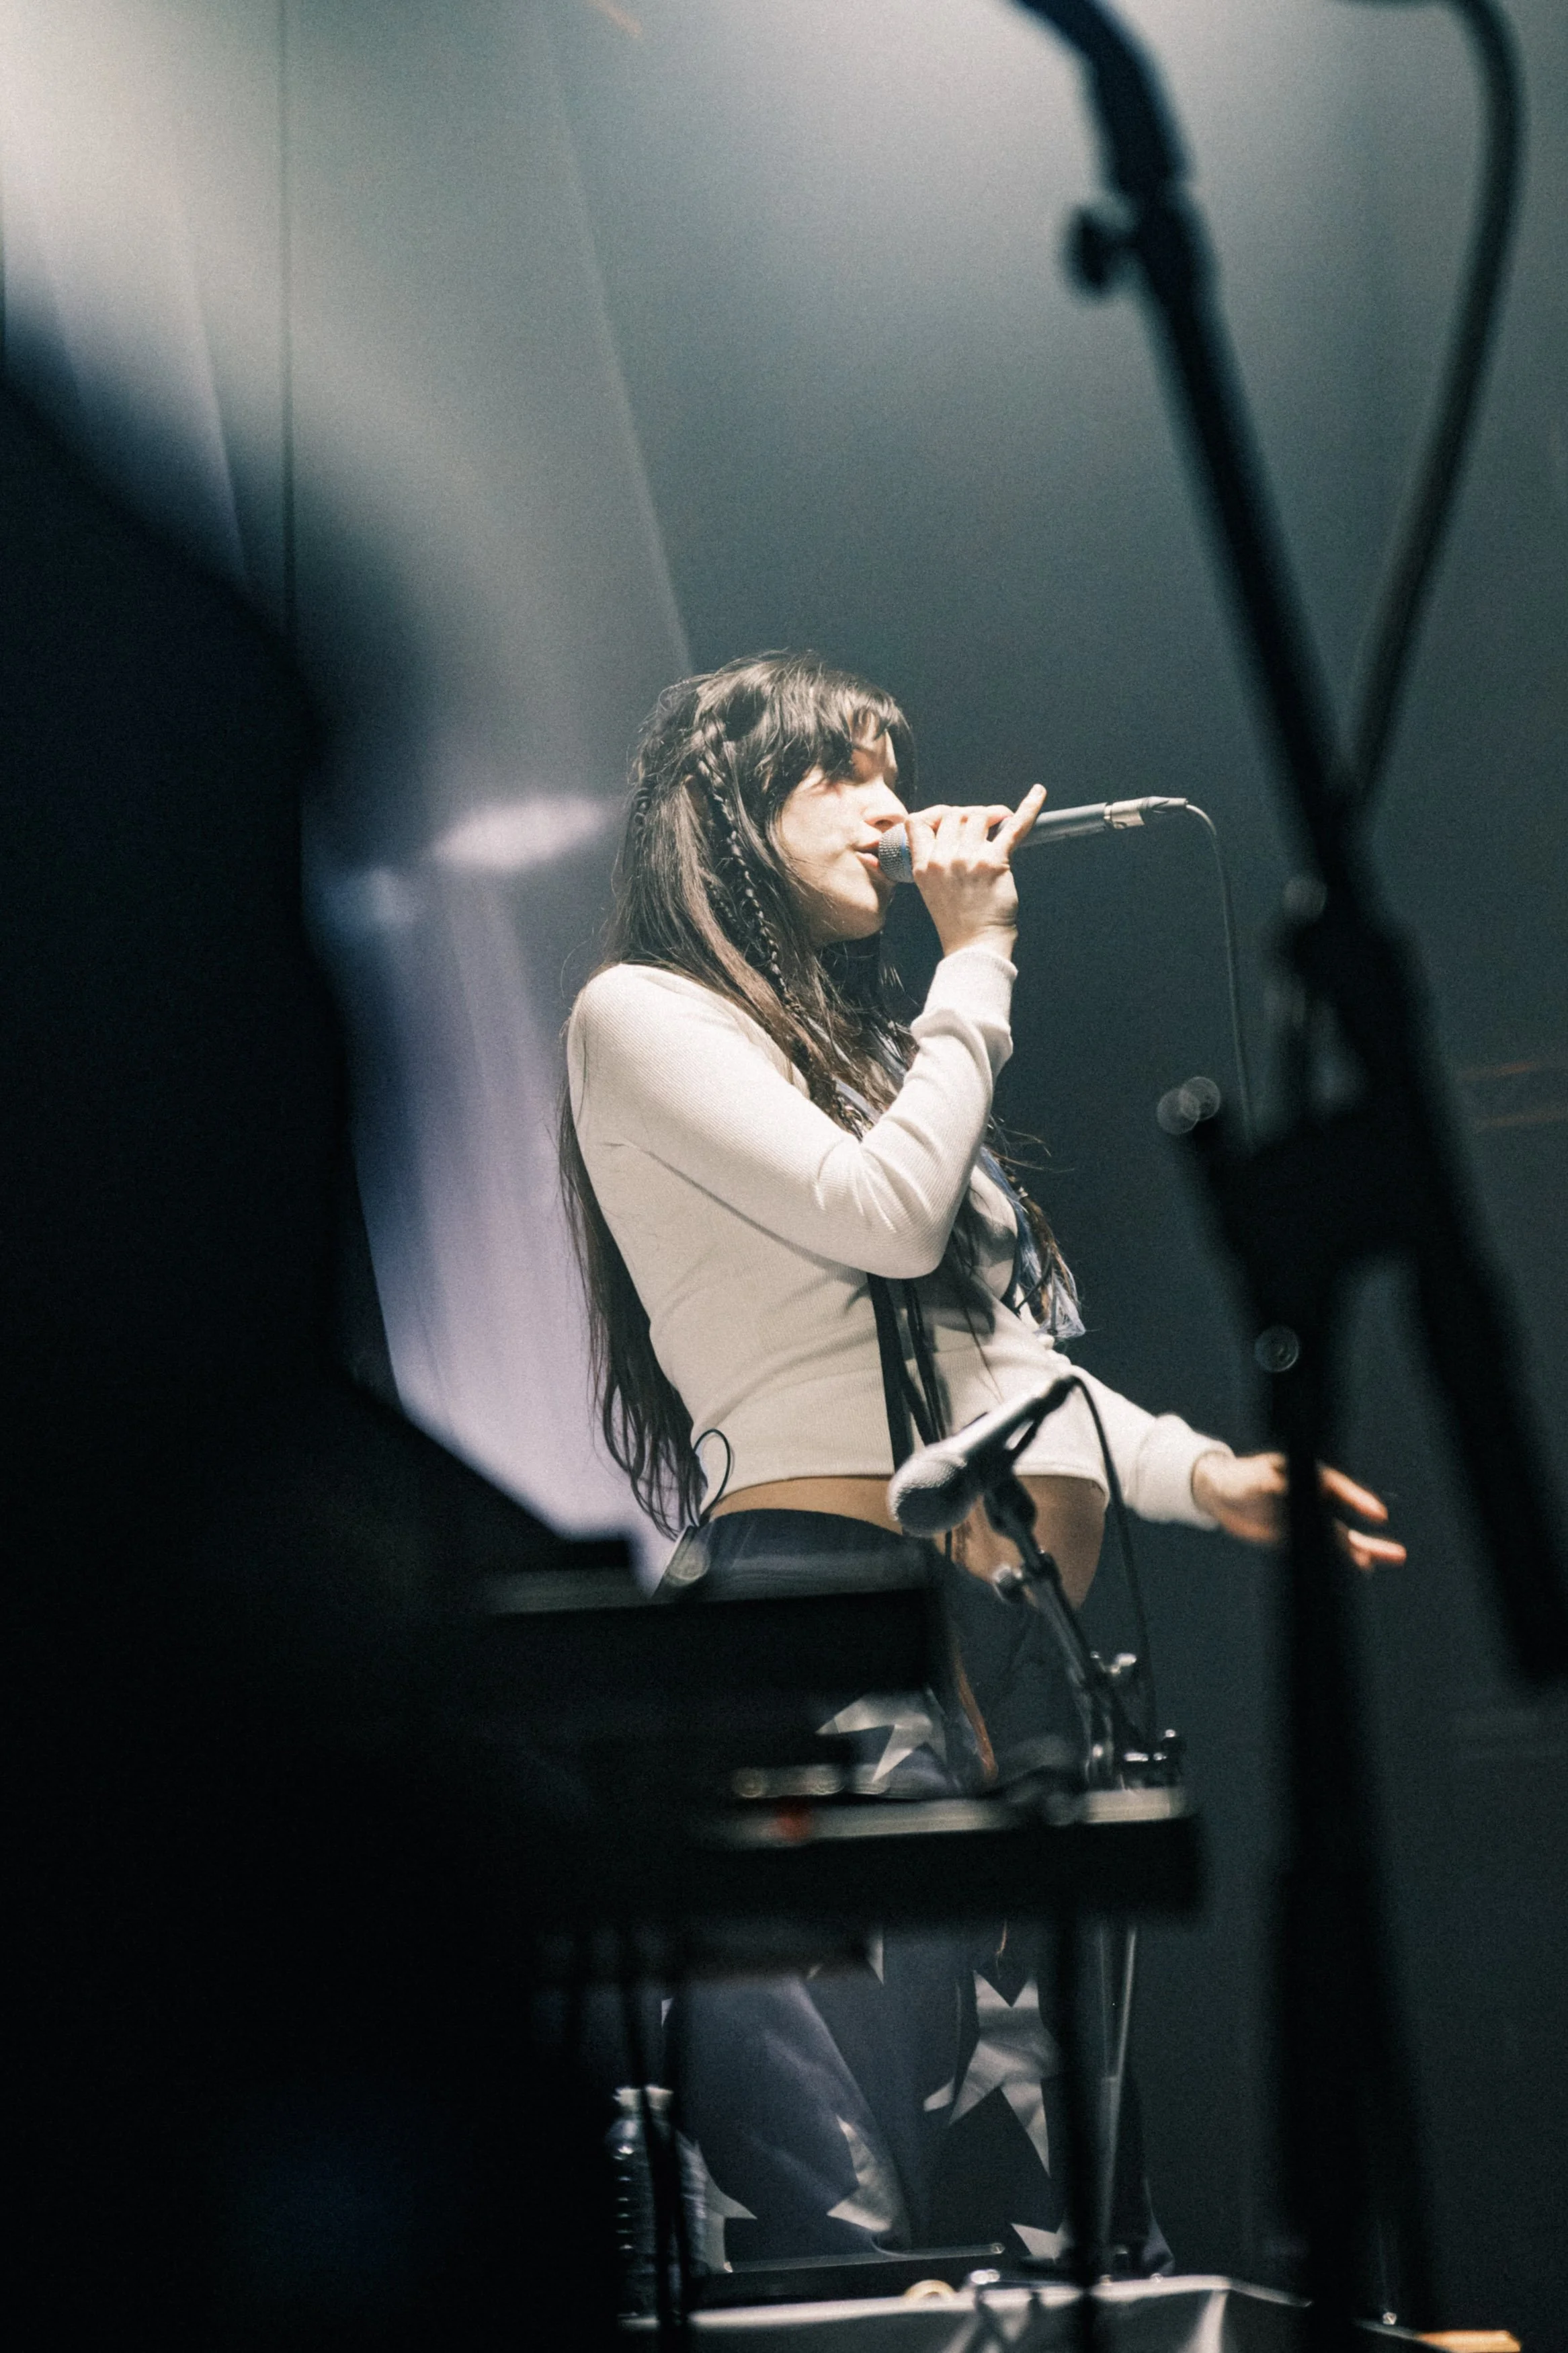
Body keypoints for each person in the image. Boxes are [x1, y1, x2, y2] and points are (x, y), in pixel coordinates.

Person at [562, 651, 1401, 2273]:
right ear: (723, 804)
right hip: (821, 1640)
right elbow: (880, 1219)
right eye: (845, 770)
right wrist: (977, 962)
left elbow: (999, 1361)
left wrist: (1202, 1474)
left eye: (897, 768)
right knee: (833, 2190)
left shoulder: (885, 1062)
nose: (893, 805)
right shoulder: (641, 1016)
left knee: (1058, 2213)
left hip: (1013, 1660)